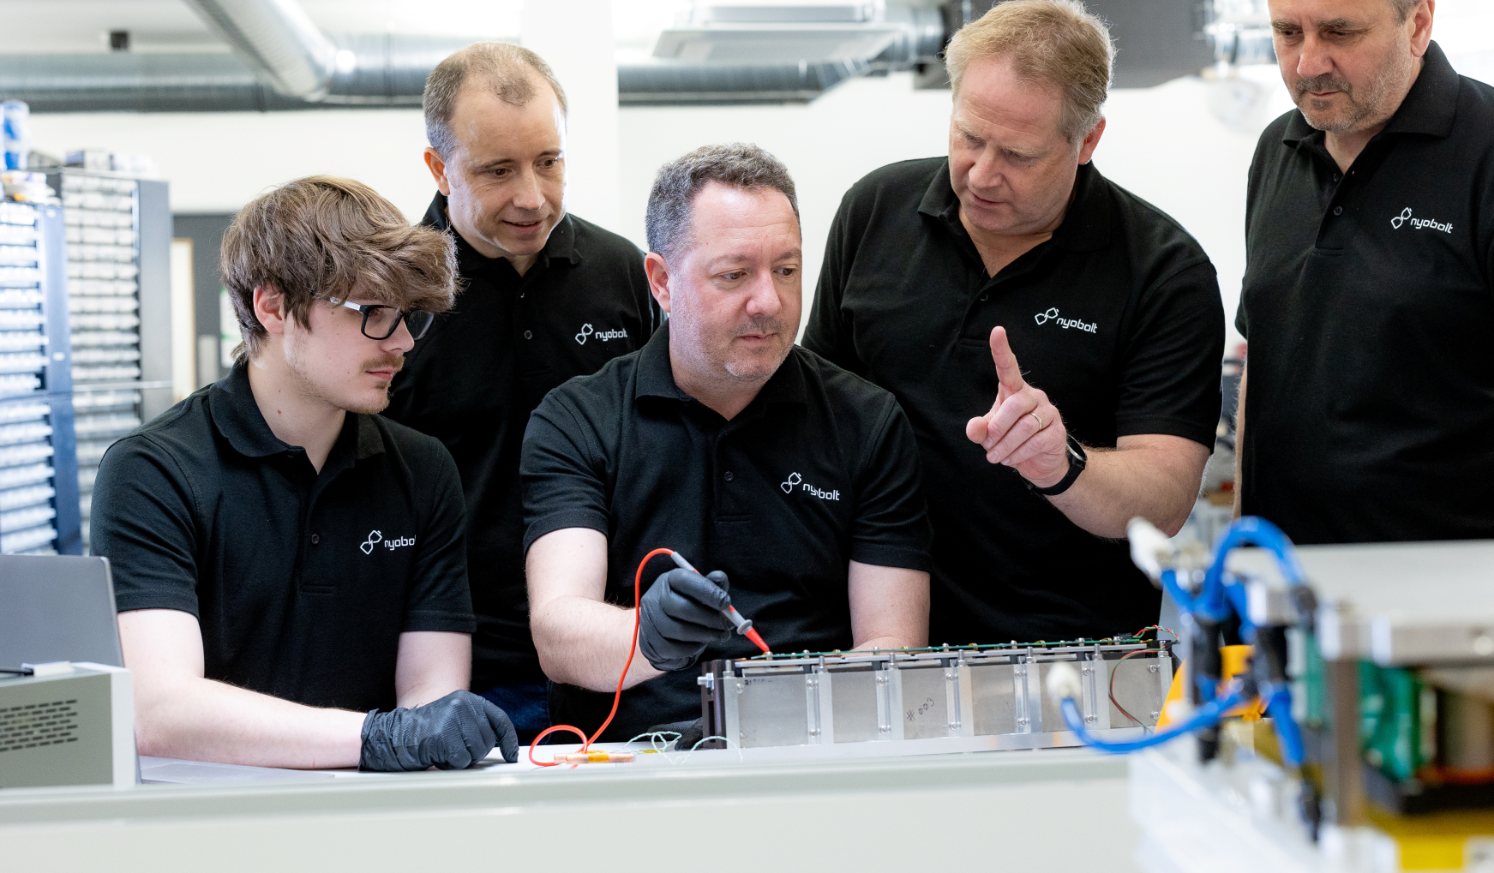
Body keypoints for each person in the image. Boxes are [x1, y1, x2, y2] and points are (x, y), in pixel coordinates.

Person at [803, 0, 1225, 646]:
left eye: (1019, 155)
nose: (982, 174)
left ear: (1087, 140)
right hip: (875, 630)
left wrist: (1061, 461)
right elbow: (817, 418)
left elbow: (1166, 499)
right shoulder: (873, 213)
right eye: (969, 137)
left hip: (1069, 650)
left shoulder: (1164, 272)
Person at [92, 176, 517, 770]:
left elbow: (431, 701)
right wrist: (376, 739)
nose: (401, 343)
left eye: (407, 317)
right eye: (372, 313)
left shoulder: (422, 471)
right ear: (271, 307)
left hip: (373, 816)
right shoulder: (152, 473)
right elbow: (160, 711)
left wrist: (410, 738)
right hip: (206, 826)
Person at [523, 144, 932, 739]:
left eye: (787, 271)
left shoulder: (866, 421)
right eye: (734, 275)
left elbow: (892, 645)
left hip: (811, 753)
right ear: (661, 281)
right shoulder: (578, 420)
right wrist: (651, 637)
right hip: (628, 765)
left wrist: (779, 724)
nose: (768, 301)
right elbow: (558, 634)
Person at [385, 42, 659, 741]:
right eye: (498, 171)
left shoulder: (621, 273)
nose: (531, 197)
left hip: (618, 658)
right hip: (466, 670)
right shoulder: (393, 296)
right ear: (440, 170)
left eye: (549, 161)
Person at [1235, 0, 1494, 544]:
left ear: (1419, 22)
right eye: (1286, 31)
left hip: (1447, 602)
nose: (1308, 64)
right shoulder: (1279, 149)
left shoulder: (1489, 151)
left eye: (1339, 31)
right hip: (1284, 587)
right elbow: (1261, 359)